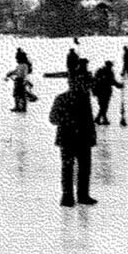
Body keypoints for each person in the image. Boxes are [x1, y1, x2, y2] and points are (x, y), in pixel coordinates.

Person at [50, 65, 98, 207]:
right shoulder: (83, 98)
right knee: (83, 169)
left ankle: (68, 197)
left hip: (67, 139)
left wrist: (66, 122)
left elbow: (53, 118)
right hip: (80, 139)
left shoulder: (63, 98)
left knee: (68, 168)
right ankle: (82, 196)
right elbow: (88, 120)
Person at [92, 60, 124, 125]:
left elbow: (95, 80)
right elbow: (112, 81)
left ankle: (101, 119)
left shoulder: (100, 71)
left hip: (101, 92)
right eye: (110, 66)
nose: (111, 67)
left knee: (103, 106)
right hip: (104, 92)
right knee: (104, 106)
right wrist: (119, 85)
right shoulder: (108, 72)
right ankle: (99, 119)